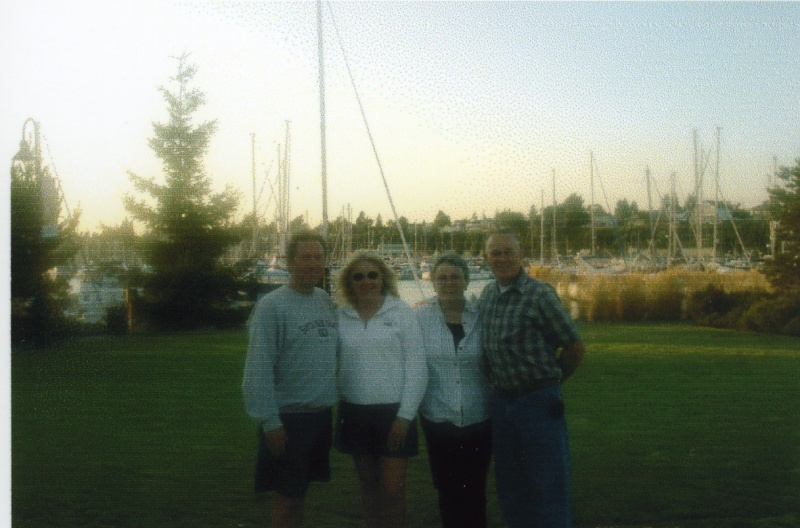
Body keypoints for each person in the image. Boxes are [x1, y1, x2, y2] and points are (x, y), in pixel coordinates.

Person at [479, 231, 586, 528]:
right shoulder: (487, 294)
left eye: (508, 252)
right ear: (485, 258)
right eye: (495, 253)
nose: (502, 258)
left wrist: (550, 383)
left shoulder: (539, 294)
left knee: (546, 484)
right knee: (511, 485)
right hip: (501, 402)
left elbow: (574, 346)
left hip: (538, 403)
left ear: (521, 255)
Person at [242, 231, 338, 528]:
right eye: (305, 257)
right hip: (287, 420)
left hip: (320, 417)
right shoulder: (272, 306)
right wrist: (270, 422)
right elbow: (257, 369)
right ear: (290, 261)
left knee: (300, 493)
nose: (313, 264)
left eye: (318, 257)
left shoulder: (325, 301)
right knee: (288, 499)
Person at [334, 250, 427, 528]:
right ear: (349, 282)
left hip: (393, 414)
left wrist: (405, 417)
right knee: (368, 485)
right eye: (358, 277)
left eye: (372, 275)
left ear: (383, 278)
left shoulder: (401, 312)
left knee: (392, 489)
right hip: (354, 412)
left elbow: (417, 367)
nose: (366, 281)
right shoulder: (340, 316)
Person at [414, 253, 492, 528]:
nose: (449, 283)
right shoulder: (419, 317)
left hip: (479, 415)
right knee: (448, 489)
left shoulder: (482, 315)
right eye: (442, 278)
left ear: (466, 281)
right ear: (433, 282)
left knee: (475, 487)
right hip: (439, 417)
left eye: (455, 277)